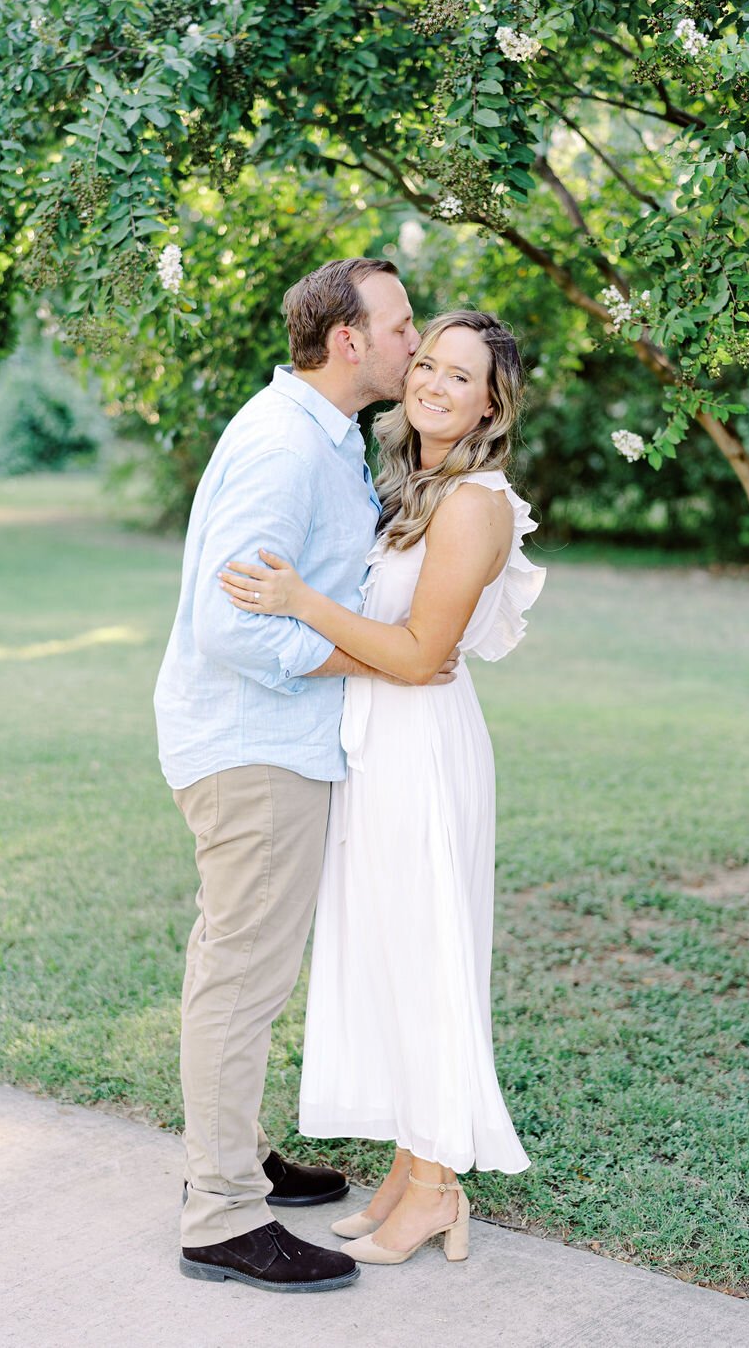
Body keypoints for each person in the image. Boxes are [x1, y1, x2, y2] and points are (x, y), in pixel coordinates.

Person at [153, 258, 459, 1293]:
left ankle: (236, 1161)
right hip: (253, 744)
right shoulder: (286, 447)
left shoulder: (325, 439)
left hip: (275, 742)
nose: (414, 342)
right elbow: (230, 625)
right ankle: (220, 1217)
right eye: (402, 324)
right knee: (241, 975)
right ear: (348, 342)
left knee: (251, 969)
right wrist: (369, 652)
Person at [219, 309, 546, 1267]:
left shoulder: (476, 502)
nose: (433, 384)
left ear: (492, 401)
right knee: (393, 957)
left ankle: (439, 1189)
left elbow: (416, 655)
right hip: (379, 742)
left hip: (423, 750)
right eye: (428, 365)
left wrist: (300, 602)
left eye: (460, 377)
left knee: (428, 957)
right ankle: (409, 1170)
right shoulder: (419, 483)